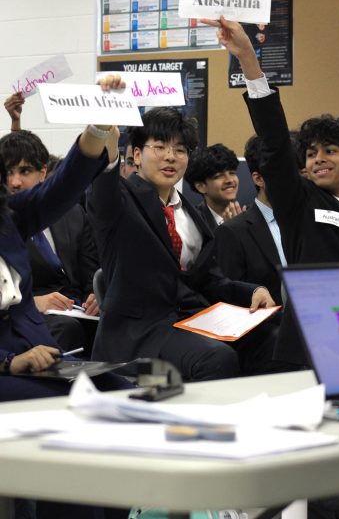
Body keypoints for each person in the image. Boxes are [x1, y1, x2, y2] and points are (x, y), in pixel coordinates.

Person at [203, 16, 339, 369]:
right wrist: (248, 57)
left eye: (330, 151)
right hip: (314, 339)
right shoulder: (299, 201)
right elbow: (275, 140)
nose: (318, 159)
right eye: (311, 153)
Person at [87, 92, 277, 382]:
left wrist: (251, 291)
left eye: (180, 149)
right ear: (136, 155)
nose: (170, 157)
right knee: (216, 357)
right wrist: (106, 140)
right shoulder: (120, 202)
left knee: (276, 337)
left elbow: (210, 281)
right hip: (139, 335)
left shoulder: (192, 214)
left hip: (192, 322)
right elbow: (103, 186)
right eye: (160, 146)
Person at [0, 130, 100, 352]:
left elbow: (90, 271)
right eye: (7, 172)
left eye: (25, 171)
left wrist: (97, 296)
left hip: (80, 311)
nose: (15, 182)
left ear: (43, 173)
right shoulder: (8, 220)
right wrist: (36, 303)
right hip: (33, 320)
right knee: (67, 329)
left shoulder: (73, 214)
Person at [214, 135, 285, 307]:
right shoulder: (233, 231)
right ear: (258, 178)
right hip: (267, 327)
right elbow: (227, 297)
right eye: (283, 172)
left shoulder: (307, 224)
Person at [185, 143, 244, 232]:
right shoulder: (192, 222)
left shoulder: (249, 218)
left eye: (232, 173)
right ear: (201, 187)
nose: (229, 180)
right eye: (219, 176)